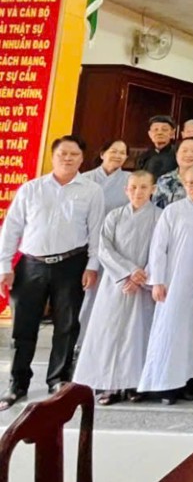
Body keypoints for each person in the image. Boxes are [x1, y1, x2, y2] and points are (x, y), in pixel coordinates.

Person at [0, 136, 104, 410]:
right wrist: (4, 267)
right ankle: (17, 383)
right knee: (23, 326)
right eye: (62, 154)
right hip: (31, 264)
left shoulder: (91, 191)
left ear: (82, 158)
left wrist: (92, 265)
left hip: (71, 264)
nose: (67, 158)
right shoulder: (31, 188)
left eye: (74, 154)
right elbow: (11, 228)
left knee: (67, 325)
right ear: (53, 156)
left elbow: (96, 230)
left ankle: (58, 380)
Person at [73, 170, 161, 405]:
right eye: (133, 187)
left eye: (143, 187)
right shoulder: (114, 216)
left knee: (138, 335)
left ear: (153, 190)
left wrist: (142, 275)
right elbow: (104, 249)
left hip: (143, 287)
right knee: (109, 333)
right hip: (116, 284)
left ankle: (135, 384)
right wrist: (127, 272)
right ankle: (108, 385)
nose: (138, 192)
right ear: (126, 190)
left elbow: (162, 250)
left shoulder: (160, 217)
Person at [138, 165, 193, 404]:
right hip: (175, 280)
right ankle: (167, 385)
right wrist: (158, 281)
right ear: (183, 183)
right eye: (191, 183)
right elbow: (158, 248)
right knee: (172, 329)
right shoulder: (173, 211)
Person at [78, 139, 131, 351]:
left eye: (122, 153)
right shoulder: (85, 179)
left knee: (108, 296)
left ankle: (104, 345)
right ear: (102, 154)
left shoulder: (129, 181)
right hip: (85, 245)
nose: (117, 155)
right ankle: (80, 344)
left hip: (115, 247)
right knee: (84, 296)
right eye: (113, 151)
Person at [136, 115, 177, 179]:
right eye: (155, 130)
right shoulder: (143, 157)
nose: (159, 133)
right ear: (150, 134)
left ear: (172, 133)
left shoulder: (178, 155)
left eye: (164, 130)